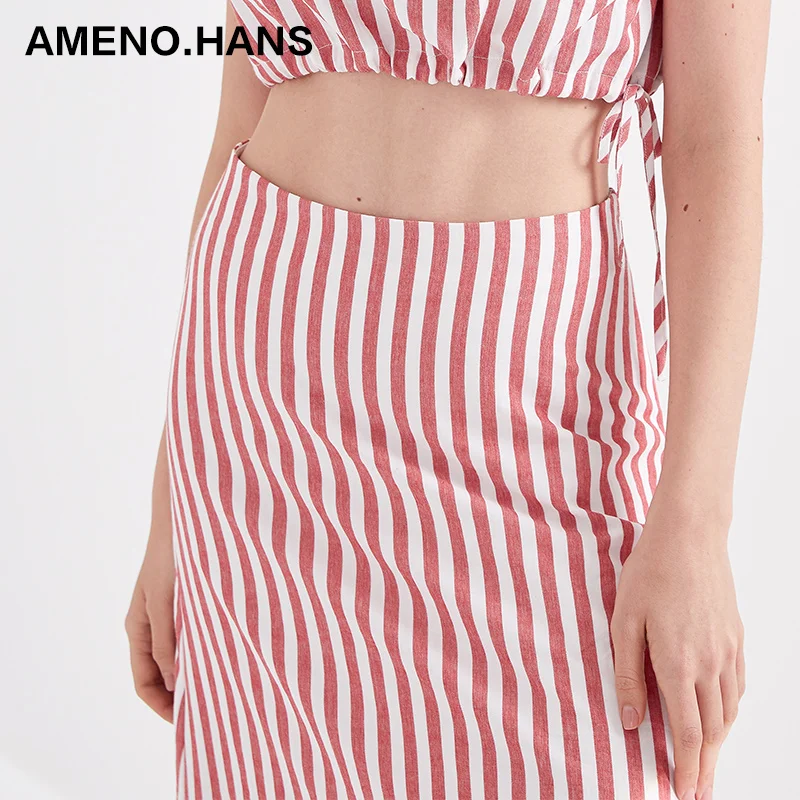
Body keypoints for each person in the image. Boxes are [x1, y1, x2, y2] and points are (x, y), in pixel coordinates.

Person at [125, 0, 770, 797]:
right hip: (259, 416)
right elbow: (242, 109)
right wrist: (169, 497)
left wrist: (697, 525)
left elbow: (717, 140)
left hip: (532, 411)